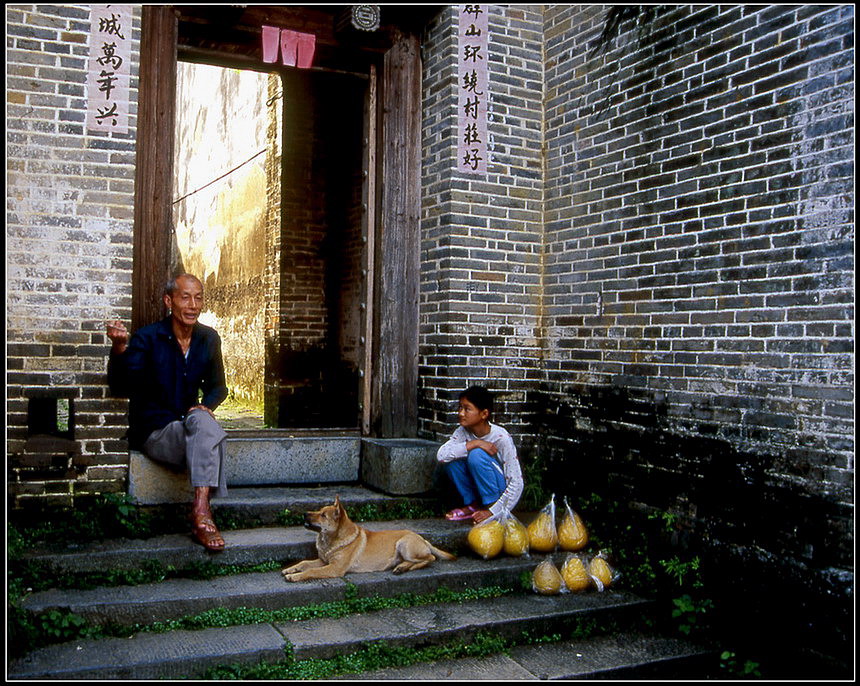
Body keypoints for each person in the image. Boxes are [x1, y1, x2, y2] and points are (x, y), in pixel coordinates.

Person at [106, 273, 230, 552]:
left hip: (190, 424)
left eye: (198, 297)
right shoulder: (148, 338)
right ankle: (204, 511)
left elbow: (218, 387)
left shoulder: (208, 338)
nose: (193, 305)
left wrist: (206, 405)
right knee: (211, 436)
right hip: (157, 430)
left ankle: (200, 511)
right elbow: (120, 385)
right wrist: (120, 348)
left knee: (204, 421)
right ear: (168, 301)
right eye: (185, 297)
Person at [436, 385, 524, 524]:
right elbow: (442, 455)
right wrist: (476, 443)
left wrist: (494, 510)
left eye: (467, 409)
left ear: (484, 414)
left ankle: (489, 507)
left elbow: (517, 483)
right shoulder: (462, 431)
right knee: (451, 461)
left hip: (498, 495)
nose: (461, 413)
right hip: (479, 489)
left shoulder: (501, 438)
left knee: (476, 455)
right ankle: (473, 505)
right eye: (460, 408)